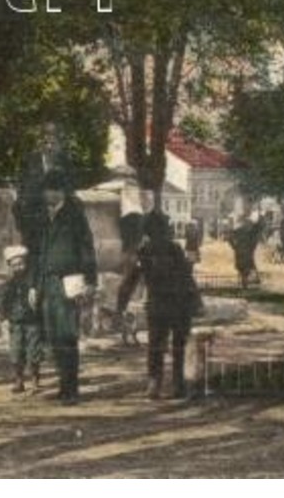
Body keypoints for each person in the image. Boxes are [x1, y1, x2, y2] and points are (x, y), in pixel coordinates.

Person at [117, 210, 203, 399]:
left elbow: (129, 282)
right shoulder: (174, 249)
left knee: (156, 345)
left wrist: (120, 305)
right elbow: (187, 277)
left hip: (158, 305)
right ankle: (178, 384)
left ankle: (155, 383)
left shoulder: (144, 252)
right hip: (179, 304)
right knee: (178, 345)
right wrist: (197, 302)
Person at [34, 170, 97, 404]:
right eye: (45, 190)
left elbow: (87, 249)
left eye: (51, 189)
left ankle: (71, 390)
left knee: (67, 336)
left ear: (60, 192)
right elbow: (40, 254)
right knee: (54, 337)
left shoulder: (74, 215)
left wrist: (90, 281)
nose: (46, 194)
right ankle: (63, 386)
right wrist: (36, 285)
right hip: (49, 282)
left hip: (69, 282)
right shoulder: (44, 217)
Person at [0, 244, 41, 392]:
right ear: (10, 266)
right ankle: (19, 381)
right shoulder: (9, 283)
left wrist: (35, 291)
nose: (18, 267)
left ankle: (35, 381)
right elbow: (4, 301)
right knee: (16, 352)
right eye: (14, 265)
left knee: (33, 352)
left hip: (33, 321)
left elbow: (40, 295)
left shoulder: (34, 280)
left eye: (21, 264)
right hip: (15, 322)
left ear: (25, 263)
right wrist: (3, 317)